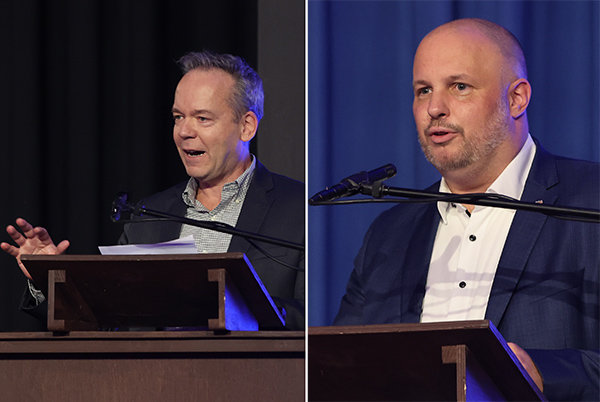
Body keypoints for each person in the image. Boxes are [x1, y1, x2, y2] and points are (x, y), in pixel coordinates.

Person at [333, 18, 599, 401]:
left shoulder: (590, 202)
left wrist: (545, 374)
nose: (434, 108)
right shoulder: (389, 234)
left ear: (516, 99)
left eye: (459, 87)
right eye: (423, 90)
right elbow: (342, 368)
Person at [1, 51, 305, 330]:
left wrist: (239, 308)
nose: (184, 132)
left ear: (246, 126)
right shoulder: (148, 218)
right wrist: (50, 279)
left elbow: (315, 316)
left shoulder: (298, 213)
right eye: (178, 117)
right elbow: (106, 323)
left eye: (202, 118)